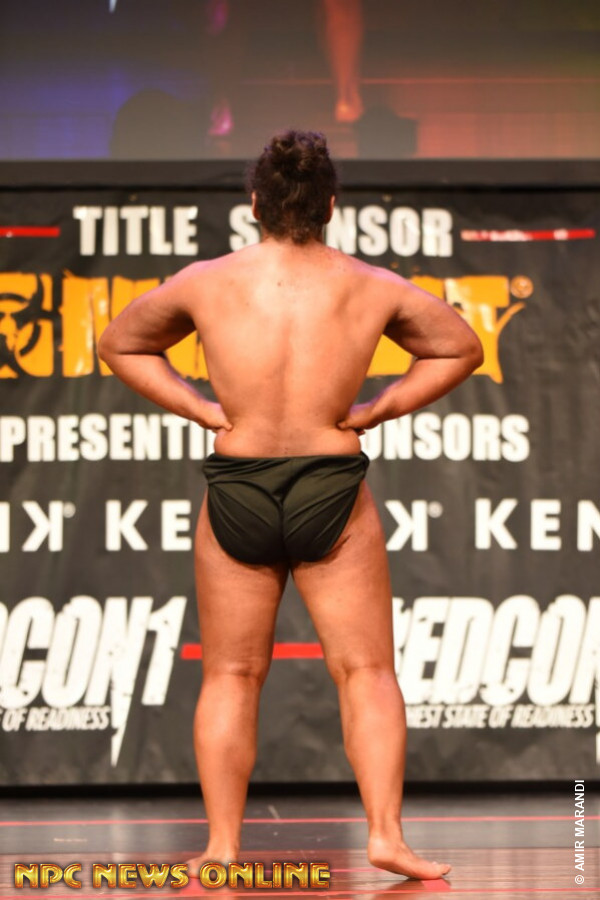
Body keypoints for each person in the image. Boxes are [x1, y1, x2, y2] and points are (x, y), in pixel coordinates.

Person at [97, 129, 483, 881]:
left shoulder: (208, 280)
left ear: (255, 204)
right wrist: (377, 410)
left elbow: (120, 344)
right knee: (366, 671)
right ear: (331, 205)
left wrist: (202, 409)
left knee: (230, 675)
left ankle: (221, 848)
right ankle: (385, 837)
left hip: (237, 486)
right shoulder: (369, 284)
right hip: (329, 487)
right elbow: (461, 347)